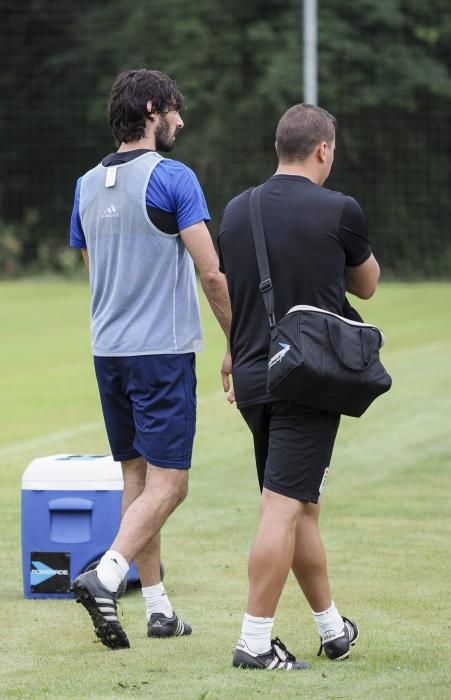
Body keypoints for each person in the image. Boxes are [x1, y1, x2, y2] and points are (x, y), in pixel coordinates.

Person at [69, 68, 231, 650]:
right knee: (173, 483)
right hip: (160, 352)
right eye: (176, 111)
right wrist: (236, 342)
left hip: (107, 351)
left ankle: (158, 608)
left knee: (136, 477)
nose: (181, 122)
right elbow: (211, 270)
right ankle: (107, 573)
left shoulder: (85, 185)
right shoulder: (173, 177)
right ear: (154, 108)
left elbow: (93, 273)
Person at [217, 104, 380, 670]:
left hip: (254, 377)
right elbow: (369, 284)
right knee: (281, 507)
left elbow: (234, 291)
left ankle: (333, 630)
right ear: (323, 150)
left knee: (300, 503)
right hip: (308, 379)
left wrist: (232, 351)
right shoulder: (340, 210)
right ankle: (254, 643)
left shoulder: (237, 212)